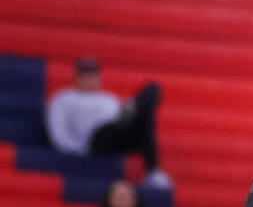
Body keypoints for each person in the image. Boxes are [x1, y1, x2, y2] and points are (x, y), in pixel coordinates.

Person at [45, 57, 170, 188]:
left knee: (152, 91)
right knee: (140, 113)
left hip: (117, 130)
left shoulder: (108, 98)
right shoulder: (65, 98)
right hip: (94, 138)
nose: (90, 79)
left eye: (93, 75)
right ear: (77, 77)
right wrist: (78, 151)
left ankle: (153, 172)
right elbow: (57, 129)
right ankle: (133, 108)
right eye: (85, 75)